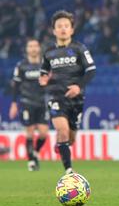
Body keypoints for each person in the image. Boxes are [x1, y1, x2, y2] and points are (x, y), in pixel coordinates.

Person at [39, 10, 96, 174]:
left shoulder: (80, 48)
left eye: (66, 26)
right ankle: (69, 171)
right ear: (54, 30)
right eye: (59, 26)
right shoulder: (48, 52)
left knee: (70, 139)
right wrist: (43, 79)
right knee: (62, 131)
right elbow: (43, 72)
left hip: (76, 98)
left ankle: (61, 145)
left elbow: (91, 70)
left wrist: (79, 86)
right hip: (56, 96)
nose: (63, 29)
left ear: (72, 29)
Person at [9, 39, 49, 171]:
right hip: (27, 102)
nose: (33, 48)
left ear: (39, 48)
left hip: (42, 102)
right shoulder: (21, 66)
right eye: (30, 46)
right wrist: (14, 103)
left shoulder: (45, 65)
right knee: (30, 133)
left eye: (35, 46)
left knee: (43, 133)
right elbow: (16, 86)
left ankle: (36, 152)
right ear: (27, 49)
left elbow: (52, 81)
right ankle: (31, 160)